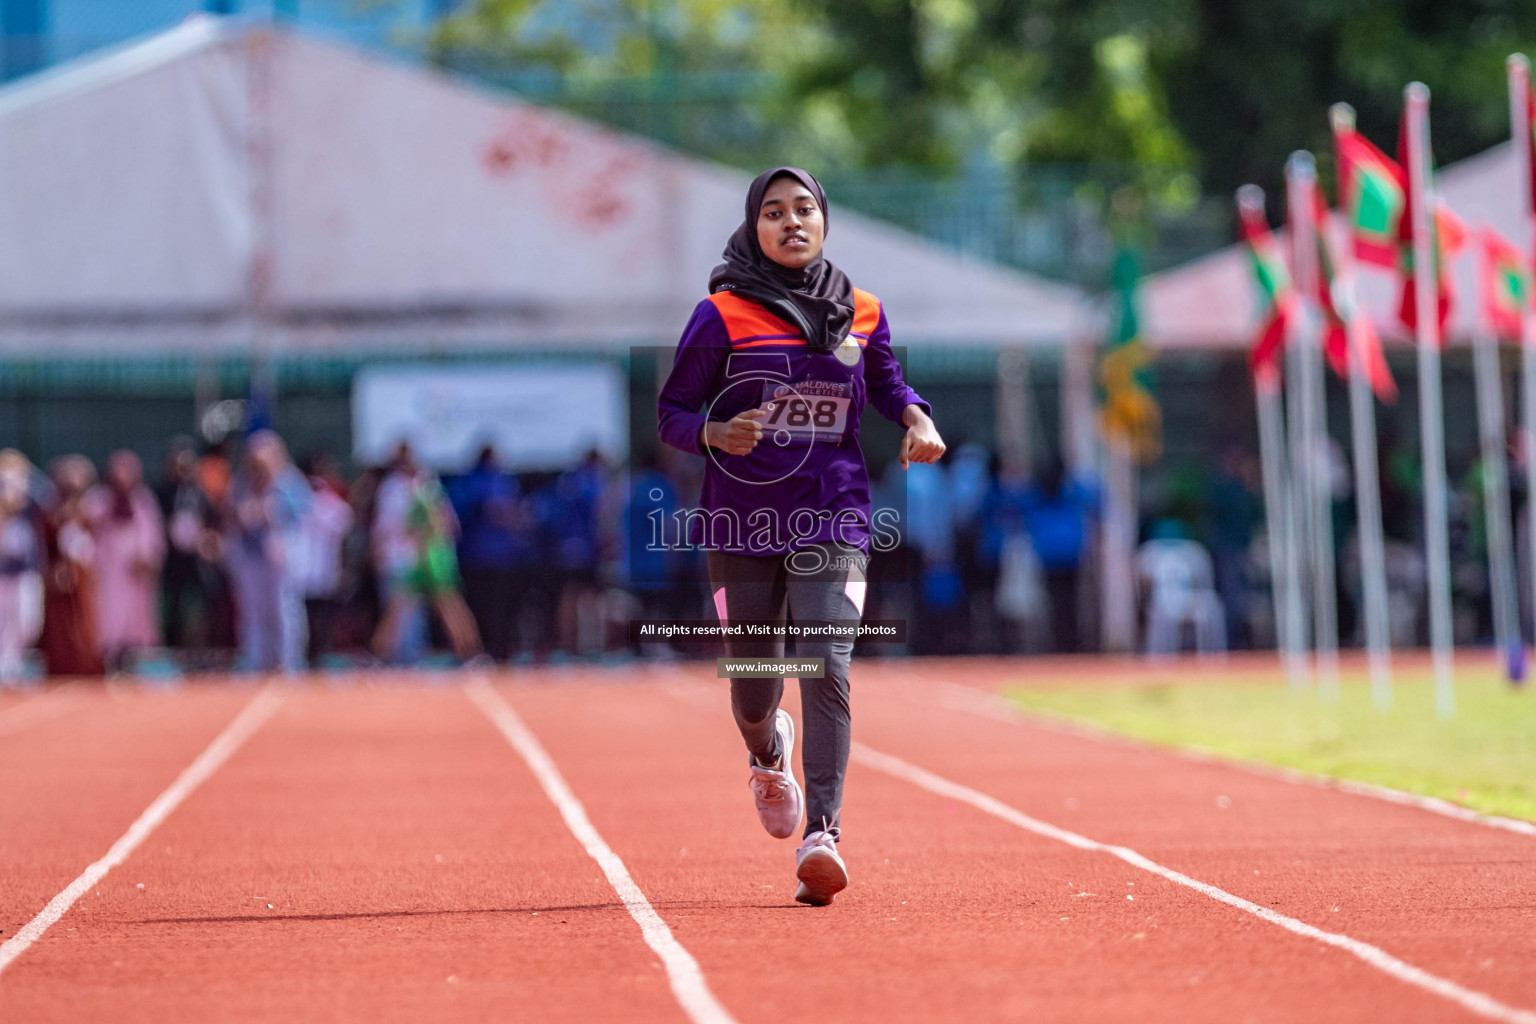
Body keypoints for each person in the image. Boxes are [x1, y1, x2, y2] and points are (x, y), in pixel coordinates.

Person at [658, 166, 945, 905]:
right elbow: (673, 414)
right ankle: (765, 748)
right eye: (775, 212)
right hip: (741, 521)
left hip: (835, 514)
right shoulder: (720, 315)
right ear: (754, 226)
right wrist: (716, 431)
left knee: (826, 659)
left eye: (805, 209)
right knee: (755, 683)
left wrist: (917, 418)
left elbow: (887, 385)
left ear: (825, 221)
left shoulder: (863, 310)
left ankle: (825, 834)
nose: (792, 222)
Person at [87, 450, 165, 672]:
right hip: (108, 571)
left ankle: (131, 660)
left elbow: (152, 534)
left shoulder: (143, 500)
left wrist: (149, 558)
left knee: (137, 618)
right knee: (108, 616)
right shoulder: (98, 500)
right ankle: (109, 661)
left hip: (136, 573)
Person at [40, 456, 102, 677]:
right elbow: (49, 548)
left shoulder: (89, 511)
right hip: (59, 580)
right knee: (59, 626)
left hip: (82, 578)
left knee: (84, 624)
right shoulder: (52, 514)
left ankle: (86, 667)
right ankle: (60, 667)